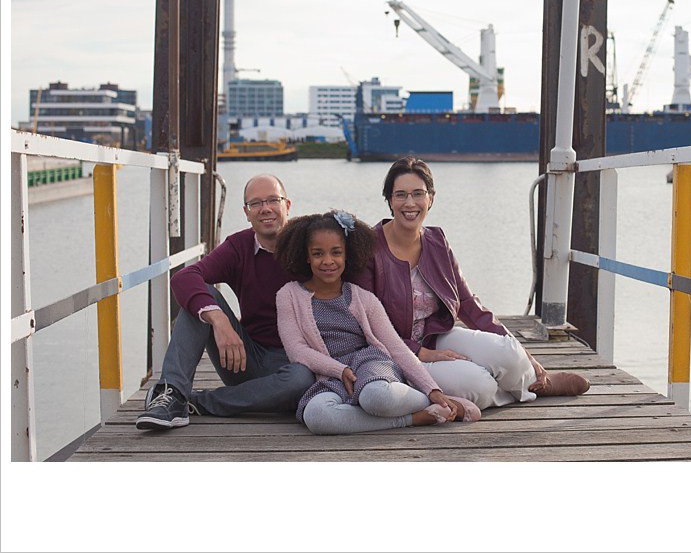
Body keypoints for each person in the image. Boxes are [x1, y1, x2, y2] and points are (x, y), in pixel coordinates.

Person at [348, 156, 590, 411]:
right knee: (478, 383)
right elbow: (365, 324)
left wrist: (523, 354)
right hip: (396, 353)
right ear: (389, 200)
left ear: (431, 198)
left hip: (435, 335)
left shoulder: (436, 240)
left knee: (507, 351)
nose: (410, 203)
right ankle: (515, 389)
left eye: (418, 193)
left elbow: (467, 303)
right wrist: (423, 354)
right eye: (400, 195)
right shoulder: (370, 249)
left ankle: (537, 381)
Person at [136, 174, 316, 430]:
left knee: (302, 379)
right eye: (256, 204)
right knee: (202, 297)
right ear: (246, 212)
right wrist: (218, 319)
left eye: (273, 200)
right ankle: (172, 393)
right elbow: (184, 278)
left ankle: (197, 401)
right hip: (245, 357)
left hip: (301, 363)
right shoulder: (239, 247)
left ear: (287, 205)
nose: (265, 209)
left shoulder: (310, 243)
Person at [274, 210, 480, 434]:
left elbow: (396, 347)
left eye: (336, 253)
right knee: (316, 415)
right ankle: (414, 418)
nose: (328, 261)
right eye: (318, 253)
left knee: (375, 398)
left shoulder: (363, 298)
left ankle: (435, 402)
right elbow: (296, 351)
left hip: (370, 365)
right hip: (331, 375)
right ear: (307, 256)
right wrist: (339, 369)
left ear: (346, 255)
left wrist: (432, 389)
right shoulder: (288, 295)